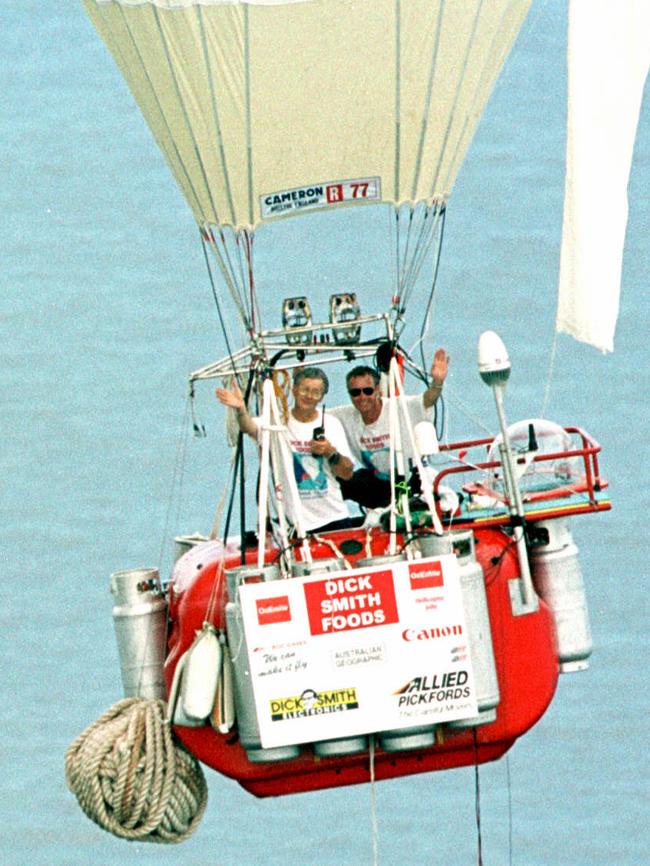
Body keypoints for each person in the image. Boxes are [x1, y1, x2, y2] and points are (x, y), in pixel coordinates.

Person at [216, 367, 356, 534]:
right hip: (297, 524)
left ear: (322, 396)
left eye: (316, 392)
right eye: (304, 390)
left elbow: (347, 473)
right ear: (294, 389)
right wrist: (240, 409)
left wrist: (330, 452)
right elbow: (250, 427)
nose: (309, 396)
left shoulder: (332, 424)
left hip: (334, 518)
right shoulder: (278, 421)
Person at [329, 348, 449, 508]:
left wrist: (437, 383)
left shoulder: (399, 406)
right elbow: (311, 415)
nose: (362, 397)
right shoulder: (344, 415)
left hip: (408, 481)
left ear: (377, 389)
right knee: (341, 481)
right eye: (356, 393)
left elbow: (428, 400)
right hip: (377, 484)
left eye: (368, 391)